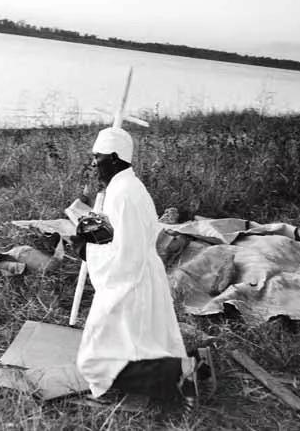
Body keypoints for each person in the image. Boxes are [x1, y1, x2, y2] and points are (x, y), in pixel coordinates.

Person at [71, 126, 213, 414]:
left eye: (97, 157)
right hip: (138, 277)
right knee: (136, 345)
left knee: (94, 364)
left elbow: (126, 255)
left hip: (129, 283)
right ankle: (183, 368)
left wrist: (86, 250)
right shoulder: (125, 187)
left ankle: (180, 372)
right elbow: (120, 239)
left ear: (113, 158)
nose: (93, 164)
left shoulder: (124, 194)